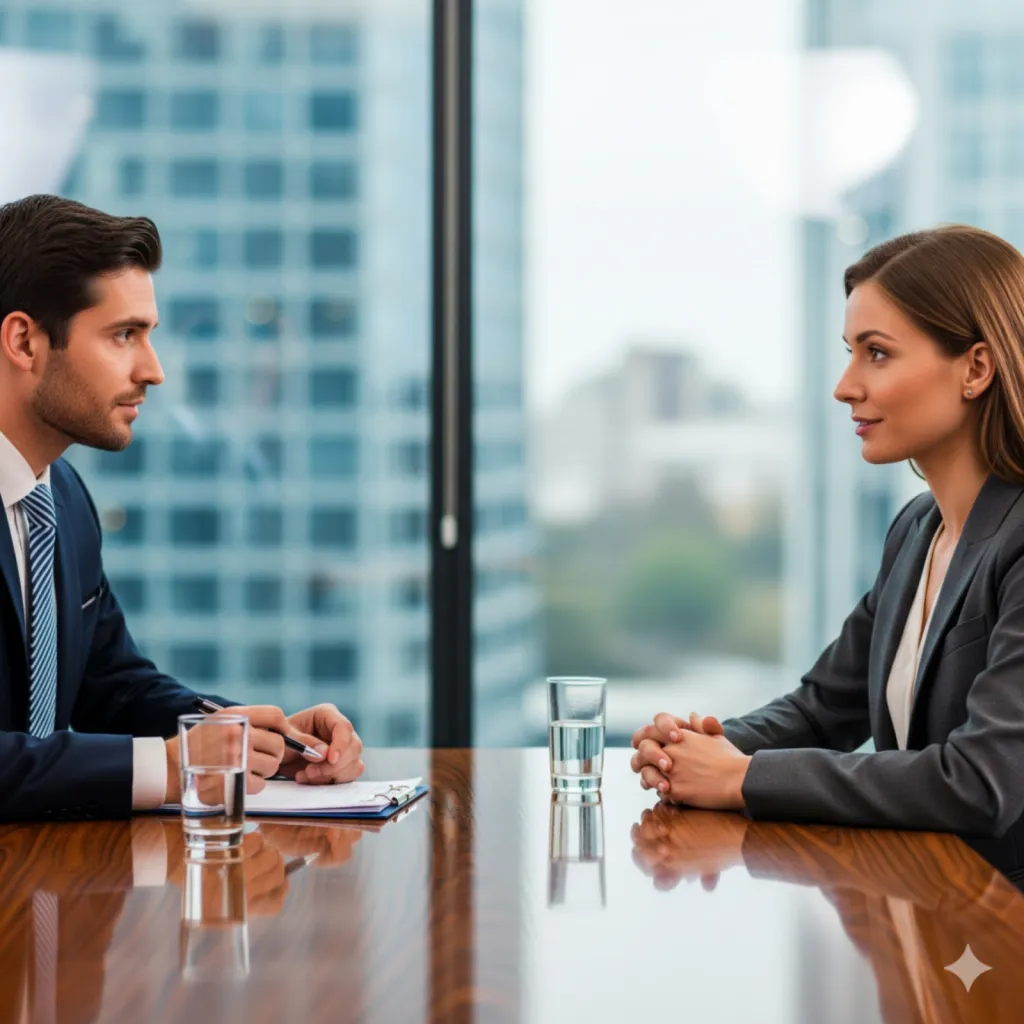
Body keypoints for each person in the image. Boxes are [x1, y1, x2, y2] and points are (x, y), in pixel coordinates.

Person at [630, 224, 1024, 882]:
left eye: (876, 354)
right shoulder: (916, 530)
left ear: (976, 368)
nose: (844, 386)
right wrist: (699, 751)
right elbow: (823, 708)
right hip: (934, 922)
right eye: (850, 353)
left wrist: (742, 779)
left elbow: (979, 781)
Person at [0, 194, 363, 821]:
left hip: (49, 889)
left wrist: (250, 741)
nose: (155, 370)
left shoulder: (63, 500)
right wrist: (172, 768)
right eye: (123, 336)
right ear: (25, 342)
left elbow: (110, 687)